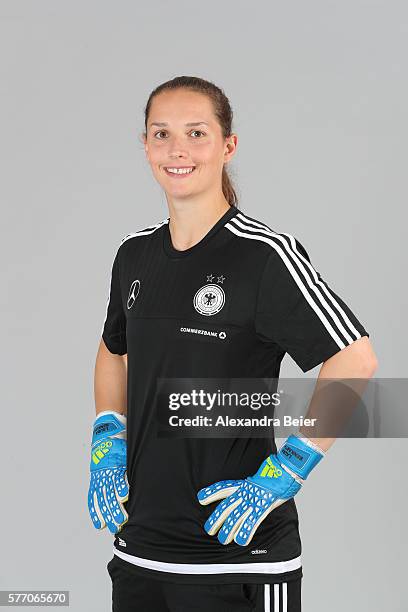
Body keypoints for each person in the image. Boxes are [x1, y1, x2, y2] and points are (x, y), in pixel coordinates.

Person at [88, 76, 378, 612]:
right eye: (161, 134)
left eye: (197, 133)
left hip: (239, 556)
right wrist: (108, 434)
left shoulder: (265, 257)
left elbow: (354, 359)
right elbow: (114, 351)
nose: (177, 150)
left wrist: (291, 466)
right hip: (142, 554)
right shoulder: (134, 255)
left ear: (228, 146)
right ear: (146, 145)